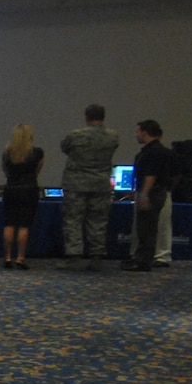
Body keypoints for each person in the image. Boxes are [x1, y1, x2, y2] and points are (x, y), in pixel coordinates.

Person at [60, 104, 119, 270]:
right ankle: (96, 257)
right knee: (98, 221)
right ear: (103, 117)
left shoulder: (75, 135)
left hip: (76, 184)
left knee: (73, 220)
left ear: (86, 116)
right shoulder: (113, 136)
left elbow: (65, 148)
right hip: (100, 184)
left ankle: (73, 257)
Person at [123, 119, 179, 272]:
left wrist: (144, 194)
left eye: (138, 131)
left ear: (144, 132)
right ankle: (158, 256)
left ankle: (143, 260)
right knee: (159, 226)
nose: (136, 134)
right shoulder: (167, 152)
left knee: (146, 227)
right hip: (163, 192)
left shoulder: (150, 153)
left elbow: (150, 175)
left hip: (151, 192)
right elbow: (177, 174)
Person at [0, 124, 44, 269]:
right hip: (29, 189)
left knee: (9, 223)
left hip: (11, 188)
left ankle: (7, 258)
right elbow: (37, 171)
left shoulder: (7, 153)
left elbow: (5, 171)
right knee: (24, 225)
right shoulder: (37, 153)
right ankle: (20, 258)